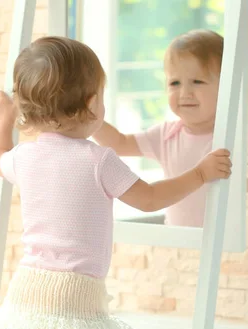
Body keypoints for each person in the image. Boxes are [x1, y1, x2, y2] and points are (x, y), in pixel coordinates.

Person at [0, 36, 231, 329]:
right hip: (78, 295)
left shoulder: (26, 156)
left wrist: (4, 119)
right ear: (93, 104)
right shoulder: (99, 160)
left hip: (26, 290)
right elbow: (151, 198)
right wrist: (200, 174)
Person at [93, 29, 225, 228]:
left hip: (223, 247)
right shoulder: (166, 135)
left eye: (197, 81)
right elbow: (119, 144)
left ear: (225, 87)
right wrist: (90, 118)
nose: (184, 92)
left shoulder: (231, 136)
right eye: (175, 83)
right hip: (176, 241)